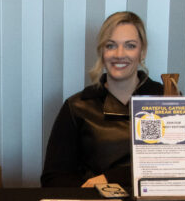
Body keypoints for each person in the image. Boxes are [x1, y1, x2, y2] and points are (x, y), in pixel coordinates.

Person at [40, 11, 164, 188]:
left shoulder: (168, 101)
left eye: (130, 46)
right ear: (102, 51)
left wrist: (112, 178)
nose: (119, 54)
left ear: (142, 52)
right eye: (111, 45)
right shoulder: (76, 107)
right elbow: (53, 179)